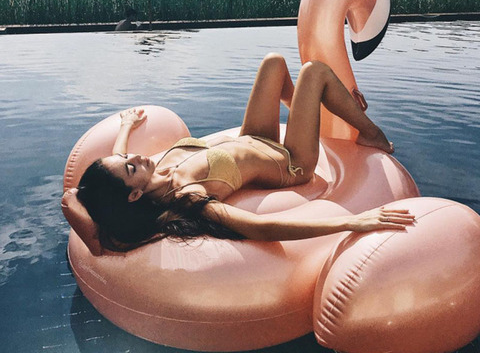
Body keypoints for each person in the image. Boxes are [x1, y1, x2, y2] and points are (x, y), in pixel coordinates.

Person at [77, 53, 414, 251]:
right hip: (292, 163)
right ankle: (374, 134)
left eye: (126, 159)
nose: (134, 158)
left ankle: (315, 107)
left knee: (274, 63)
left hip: (253, 136)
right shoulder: (188, 196)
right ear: (134, 195)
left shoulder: (146, 168)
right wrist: (353, 221)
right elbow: (261, 228)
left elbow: (115, 162)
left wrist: (126, 126)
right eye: (130, 168)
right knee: (315, 71)